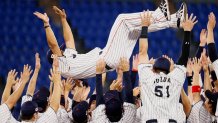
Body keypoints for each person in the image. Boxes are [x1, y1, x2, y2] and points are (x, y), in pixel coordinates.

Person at [34, 1, 187, 79]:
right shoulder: (60, 66)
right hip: (107, 58)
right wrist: (47, 24)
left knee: (134, 28)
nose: (62, 49)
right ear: (55, 56)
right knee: (122, 20)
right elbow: (53, 44)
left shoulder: (68, 59)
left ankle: (175, 21)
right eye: (59, 51)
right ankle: (159, 14)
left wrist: (63, 19)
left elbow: (69, 40)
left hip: (112, 60)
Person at [137, 9, 197, 122]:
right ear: (170, 69)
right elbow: (184, 56)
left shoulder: (148, 76)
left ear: (153, 68)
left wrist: (144, 27)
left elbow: (142, 52)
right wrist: (188, 31)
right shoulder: (175, 79)